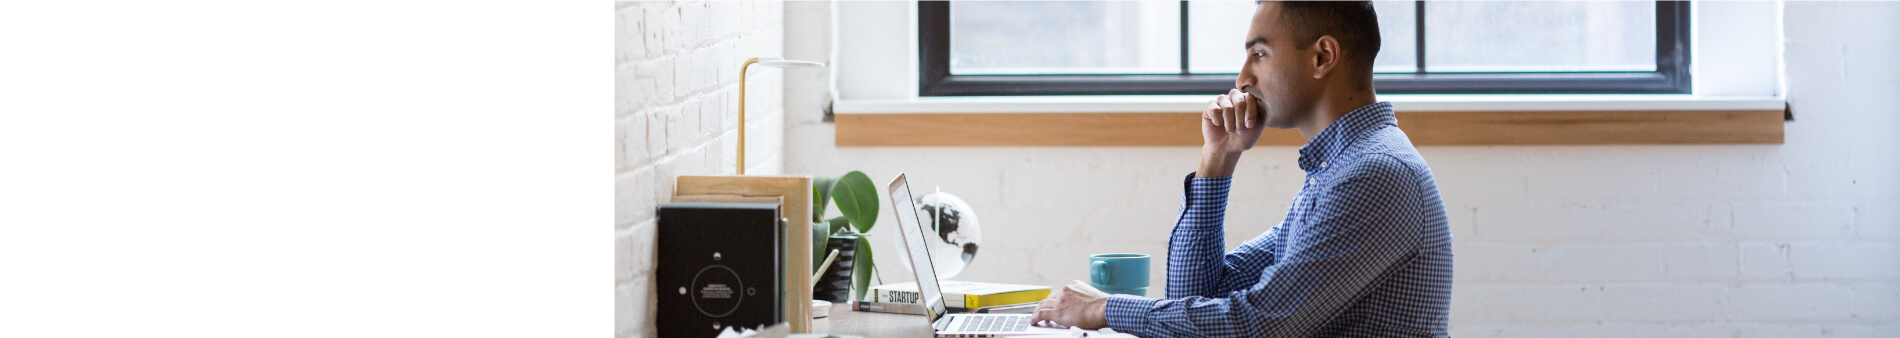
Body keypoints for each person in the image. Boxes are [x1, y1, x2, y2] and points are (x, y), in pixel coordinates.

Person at [1028, 1, 1453, 337]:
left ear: (1322, 56)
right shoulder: (1338, 169)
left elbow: (1259, 324)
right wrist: (1218, 160)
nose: (1242, 79)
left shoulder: (1374, 175)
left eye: (1259, 54)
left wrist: (1104, 308)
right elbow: (1197, 296)